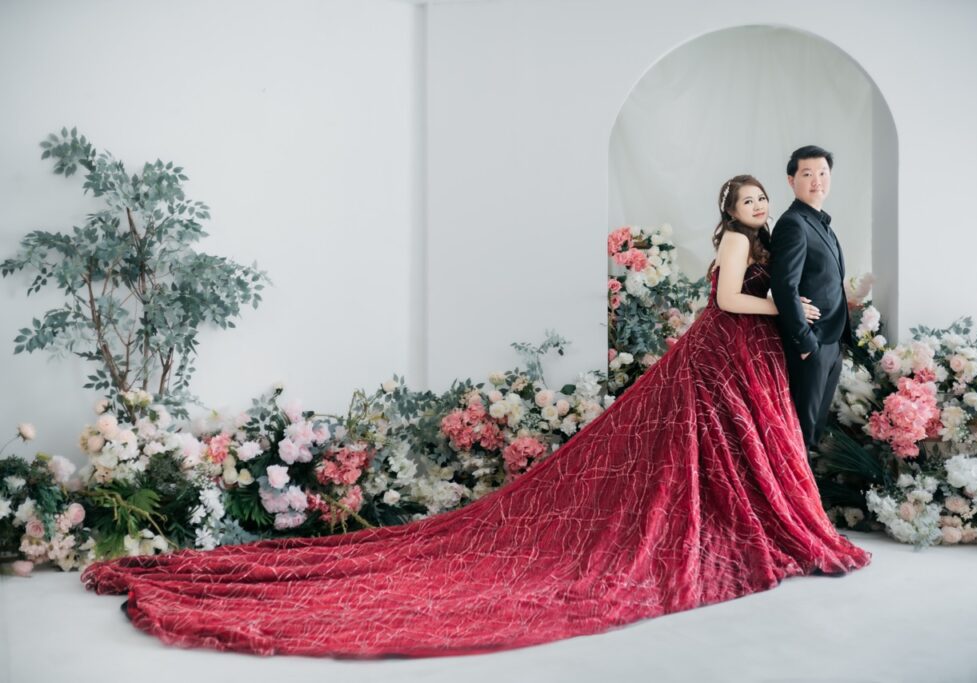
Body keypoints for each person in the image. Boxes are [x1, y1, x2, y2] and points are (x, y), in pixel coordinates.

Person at [81, 175, 871, 659]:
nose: (757, 206)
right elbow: (729, 299)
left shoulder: (767, 238)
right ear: (728, 209)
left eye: (760, 199)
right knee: (685, 457)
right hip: (718, 357)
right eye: (747, 200)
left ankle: (749, 521)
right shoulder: (736, 245)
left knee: (723, 455)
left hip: (740, 362)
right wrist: (784, 306)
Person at [769, 146, 852, 452]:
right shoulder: (794, 223)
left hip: (831, 342)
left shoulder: (820, 223)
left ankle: (806, 485)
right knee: (801, 435)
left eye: (822, 173)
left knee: (813, 432)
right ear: (791, 181)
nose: (817, 180)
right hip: (810, 344)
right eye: (807, 174)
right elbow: (784, 285)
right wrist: (805, 343)